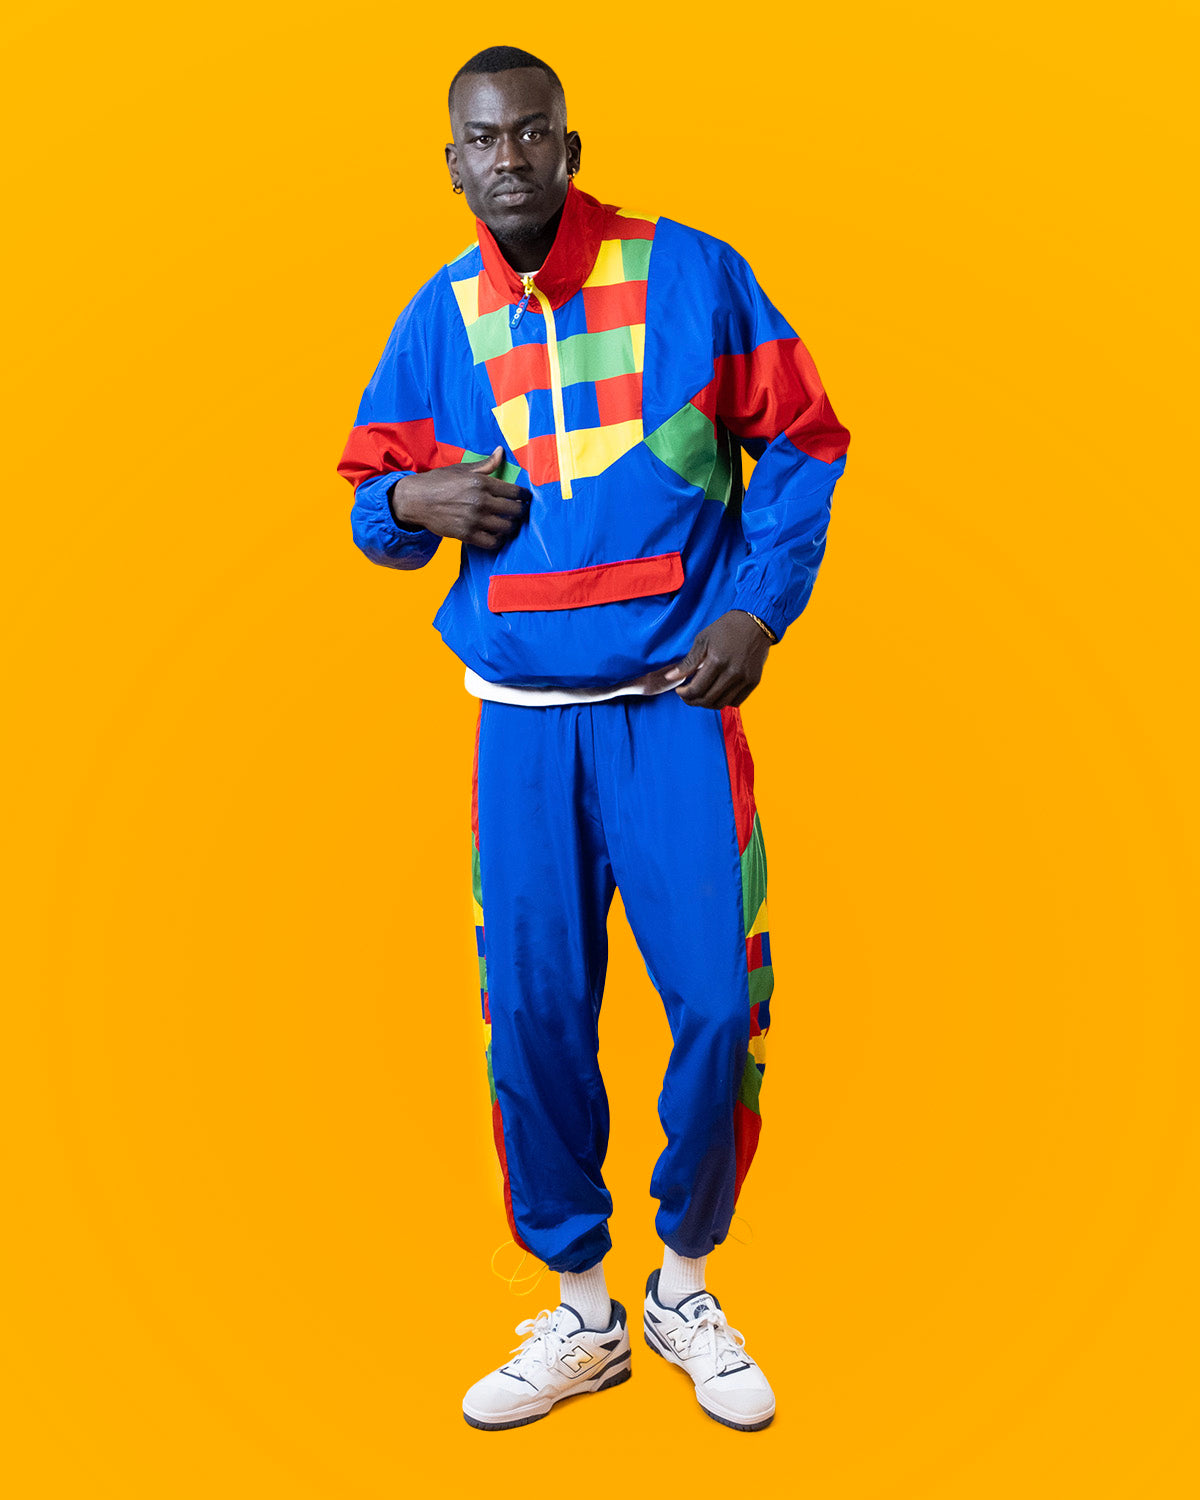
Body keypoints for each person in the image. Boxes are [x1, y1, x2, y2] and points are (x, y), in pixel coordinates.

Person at [337, 45, 850, 1433]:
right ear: (452, 164)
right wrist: (418, 505)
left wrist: (758, 609)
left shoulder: (692, 274)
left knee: (720, 1002)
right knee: (534, 1016)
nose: (507, 158)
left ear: (570, 145)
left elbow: (805, 436)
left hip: (676, 712)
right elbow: (373, 508)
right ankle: (583, 1313)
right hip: (523, 731)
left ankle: (685, 1283)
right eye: (481, 140)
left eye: (531, 134)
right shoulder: (436, 319)